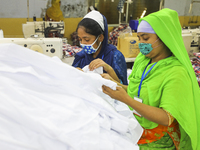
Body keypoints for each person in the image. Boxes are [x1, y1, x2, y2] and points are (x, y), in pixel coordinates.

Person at [102, 8, 200, 150]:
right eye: (139, 38)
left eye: (145, 38)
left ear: (164, 37)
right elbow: (140, 93)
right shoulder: (143, 61)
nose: (141, 43)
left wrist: (127, 100)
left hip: (159, 141)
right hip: (135, 129)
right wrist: (116, 85)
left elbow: (166, 117)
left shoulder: (176, 72)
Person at [72, 10, 128, 85]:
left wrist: (109, 70)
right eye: (80, 39)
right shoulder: (81, 57)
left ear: (100, 37)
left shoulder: (115, 56)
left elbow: (125, 88)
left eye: (87, 39)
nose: (82, 43)